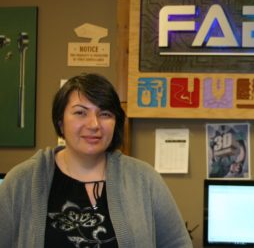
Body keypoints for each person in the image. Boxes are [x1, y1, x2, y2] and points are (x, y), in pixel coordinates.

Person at [0, 73, 193, 247]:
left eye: (105, 114)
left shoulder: (144, 179)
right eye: (80, 112)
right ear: (60, 121)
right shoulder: (21, 181)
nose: (94, 124)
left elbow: (177, 243)